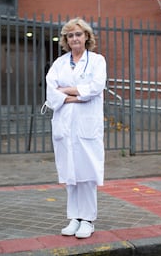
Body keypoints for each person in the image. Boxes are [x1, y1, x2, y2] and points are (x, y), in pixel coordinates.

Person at [45, 17, 107, 239]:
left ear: (87, 36)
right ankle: (74, 217)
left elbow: (95, 88)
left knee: (87, 173)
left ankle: (87, 219)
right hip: (64, 126)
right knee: (70, 173)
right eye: (70, 35)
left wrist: (66, 92)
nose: (74, 39)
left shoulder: (97, 61)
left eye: (78, 34)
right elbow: (51, 94)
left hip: (86, 126)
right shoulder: (59, 63)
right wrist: (78, 94)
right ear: (66, 39)